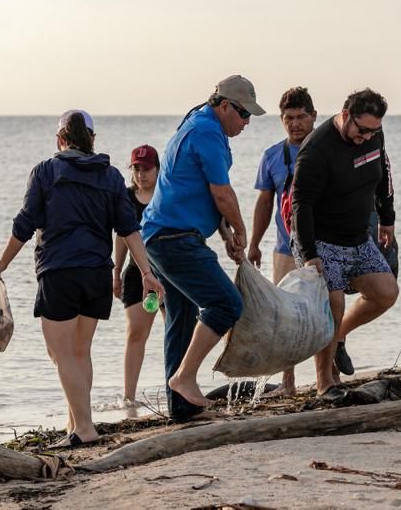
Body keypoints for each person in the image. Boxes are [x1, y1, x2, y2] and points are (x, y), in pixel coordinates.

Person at [0, 110, 165, 447]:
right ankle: (76, 423)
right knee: (79, 352)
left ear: (59, 140)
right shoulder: (111, 177)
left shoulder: (46, 172)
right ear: (92, 140)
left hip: (60, 272)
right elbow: (128, 228)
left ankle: (84, 428)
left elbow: (25, 224)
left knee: (62, 354)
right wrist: (146, 272)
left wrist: (1, 265)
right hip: (97, 272)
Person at [141, 75, 265, 422]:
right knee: (226, 304)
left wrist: (224, 231)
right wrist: (241, 229)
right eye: (243, 115)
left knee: (180, 321)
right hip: (174, 239)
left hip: (161, 236)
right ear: (225, 105)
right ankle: (184, 378)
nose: (246, 123)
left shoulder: (198, 121)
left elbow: (201, 190)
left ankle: (181, 408)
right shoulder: (207, 131)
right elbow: (222, 192)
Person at [290, 88, 398, 399]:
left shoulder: (373, 136)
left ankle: (338, 338)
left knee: (386, 292)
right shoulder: (317, 149)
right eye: (361, 129)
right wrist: (310, 254)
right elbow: (301, 204)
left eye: (373, 130)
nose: (366, 136)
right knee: (333, 304)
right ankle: (325, 381)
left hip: (358, 237)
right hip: (321, 240)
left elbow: (383, 177)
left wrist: (387, 218)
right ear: (345, 115)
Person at [247, 86, 318, 396]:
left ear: (313, 117)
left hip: (321, 245)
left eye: (301, 117)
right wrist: (253, 243)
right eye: (288, 118)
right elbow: (264, 203)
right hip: (284, 246)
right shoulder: (273, 156)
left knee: (322, 310)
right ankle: (288, 382)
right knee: (283, 315)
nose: (295, 124)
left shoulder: (325, 150)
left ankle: (326, 377)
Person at [112, 144, 163, 409]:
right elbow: (122, 237)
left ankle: (177, 385)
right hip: (137, 274)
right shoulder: (126, 197)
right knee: (135, 334)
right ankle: (129, 397)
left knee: (176, 331)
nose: (141, 174)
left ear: (157, 169)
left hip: (168, 271)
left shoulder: (166, 194)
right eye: (136, 168)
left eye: (147, 168)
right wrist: (116, 272)